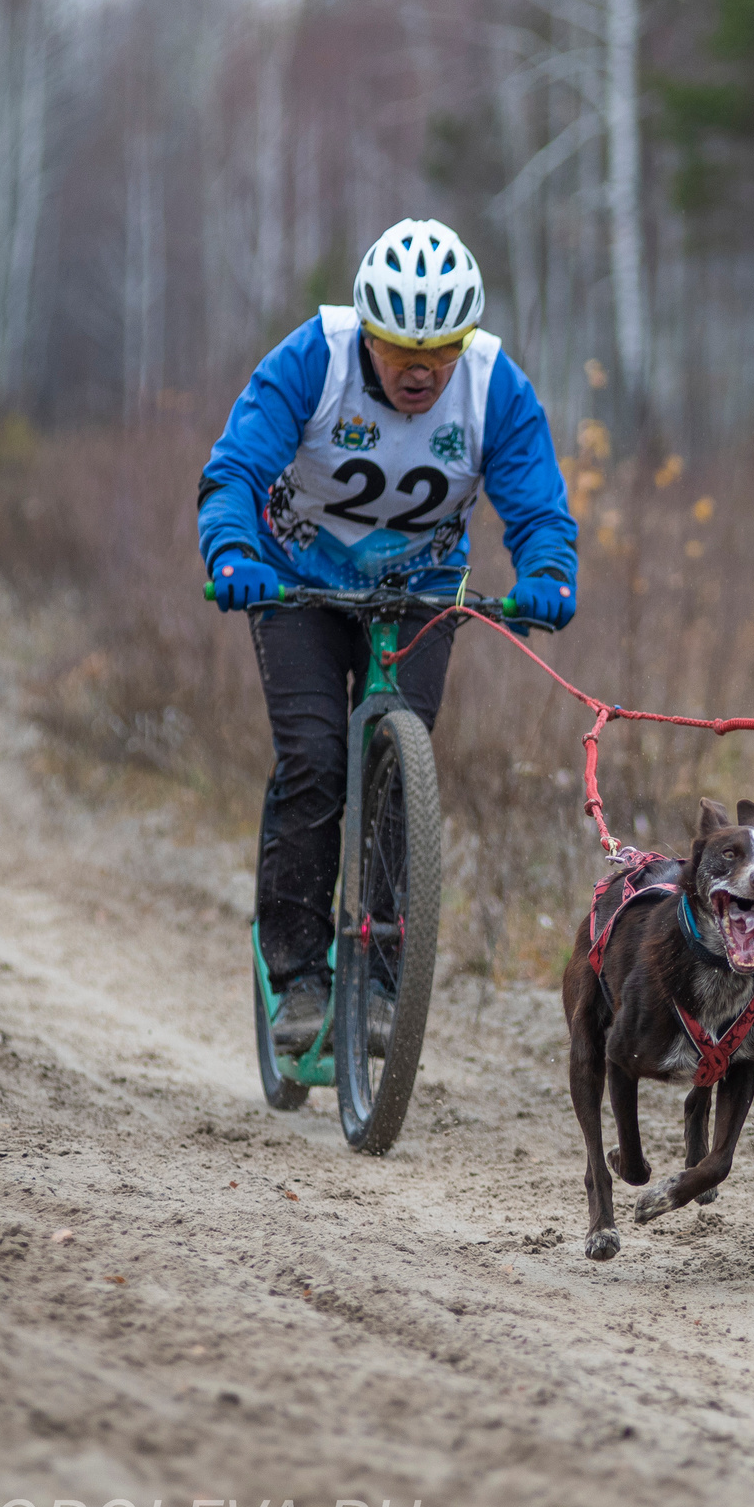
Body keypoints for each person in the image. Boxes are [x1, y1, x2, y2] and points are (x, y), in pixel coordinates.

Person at [197, 218, 578, 1052]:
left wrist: (547, 575)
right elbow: (235, 470)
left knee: (398, 781)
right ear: (367, 331)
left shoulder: (493, 386)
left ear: (464, 339)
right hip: (294, 581)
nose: (419, 368)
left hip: (417, 591)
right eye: (400, 347)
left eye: (439, 349)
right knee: (315, 760)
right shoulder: (313, 359)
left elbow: (537, 503)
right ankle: (297, 972)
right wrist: (232, 551)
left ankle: (380, 980)